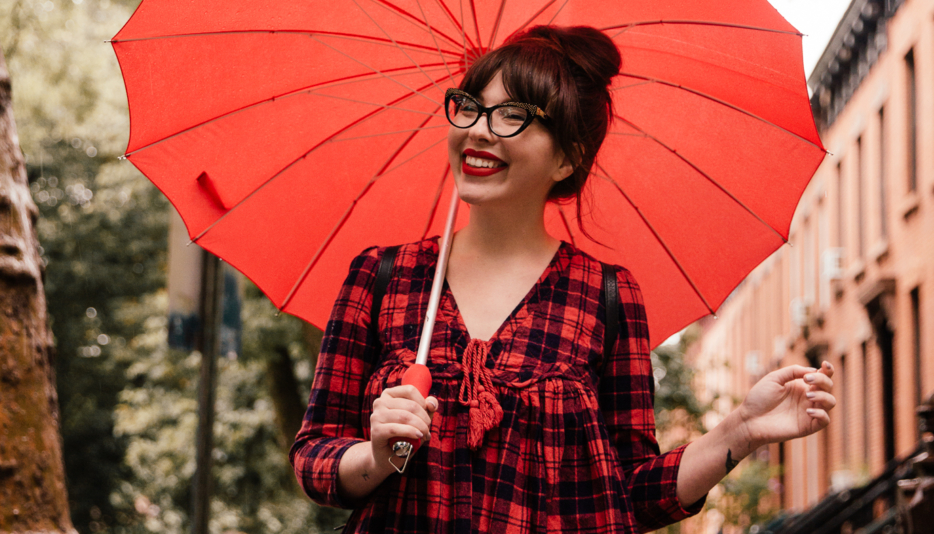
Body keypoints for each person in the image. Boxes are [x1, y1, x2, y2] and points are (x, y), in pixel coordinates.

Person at [290, 25, 835, 533]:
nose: (479, 130)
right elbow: (315, 455)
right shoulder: (384, 277)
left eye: (513, 116)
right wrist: (378, 455)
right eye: (471, 108)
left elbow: (631, 490)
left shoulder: (606, 295)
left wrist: (738, 429)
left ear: (567, 159)